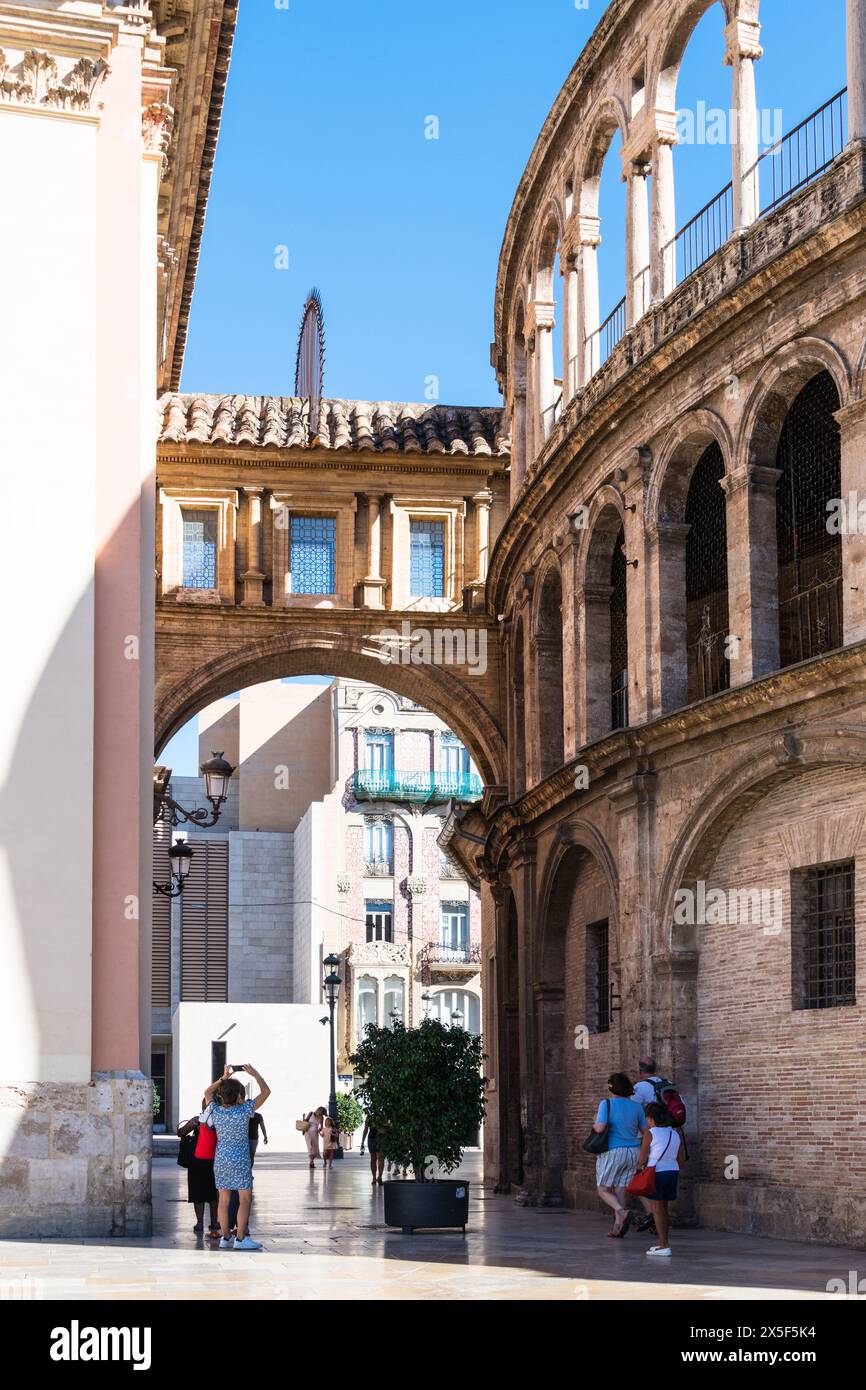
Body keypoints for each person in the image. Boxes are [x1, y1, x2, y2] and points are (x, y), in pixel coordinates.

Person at [203, 1063, 271, 1251]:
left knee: (223, 1201)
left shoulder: (216, 1110)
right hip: (240, 1160)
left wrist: (223, 1077)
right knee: (245, 1200)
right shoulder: (245, 1110)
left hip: (221, 1159)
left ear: (222, 1095)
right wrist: (255, 1073)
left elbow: (207, 1092)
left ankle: (225, 1238)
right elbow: (266, 1092)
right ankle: (240, 1238)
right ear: (239, 1095)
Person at [591, 1072, 646, 1237]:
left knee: (603, 1189)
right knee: (620, 1190)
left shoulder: (606, 1104)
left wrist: (595, 1121)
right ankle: (618, 1226)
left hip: (614, 1150)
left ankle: (622, 1212)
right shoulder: (637, 1106)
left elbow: (599, 1129)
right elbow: (645, 1131)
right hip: (633, 1151)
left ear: (610, 1087)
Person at [634, 1101, 683, 1257]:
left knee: (657, 1209)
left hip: (657, 1172)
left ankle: (664, 1246)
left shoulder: (650, 1133)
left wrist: (639, 1167)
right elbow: (681, 1159)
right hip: (672, 1171)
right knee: (665, 1209)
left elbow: (642, 1160)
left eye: (647, 1118)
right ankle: (663, 1243)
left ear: (651, 1118)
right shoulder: (675, 1133)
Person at [177, 1101, 219, 1237]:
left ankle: (213, 1222)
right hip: (198, 1162)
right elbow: (181, 1133)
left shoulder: (220, 1120)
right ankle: (200, 1222)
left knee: (213, 1194)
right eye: (205, 1105)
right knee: (198, 1194)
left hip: (212, 1161)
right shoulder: (197, 1120)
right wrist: (191, 1125)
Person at [227, 1110, 268, 1236]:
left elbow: (262, 1126)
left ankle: (227, 1233)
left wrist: (265, 1136)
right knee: (243, 1199)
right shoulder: (242, 1114)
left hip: (252, 1138)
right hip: (245, 1140)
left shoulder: (255, 1115)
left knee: (227, 1199)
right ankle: (240, 1231)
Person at [360, 1116, 385, 1185]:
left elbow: (386, 1128)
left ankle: (378, 1177)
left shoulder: (383, 1116)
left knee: (380, 1158)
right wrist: (362, 1142)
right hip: (372, 1139)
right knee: (375, 1158)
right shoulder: (370, 1117)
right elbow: (365, 1129)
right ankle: (375, 1177)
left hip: (379, 1139)